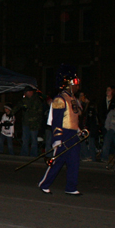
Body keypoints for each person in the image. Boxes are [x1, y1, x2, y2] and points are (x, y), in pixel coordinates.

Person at [38, 65, 84, 196]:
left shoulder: (72, 98)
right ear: (68, 84)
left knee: (74, 161)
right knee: (58, 161)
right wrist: (57, 138)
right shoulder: (60, 99)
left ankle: (71, 187)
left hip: (73, 133)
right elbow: (56, 121)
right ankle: (44, 184)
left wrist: (78, 129)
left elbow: (74, 116)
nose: (77, 86)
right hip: (64, 134)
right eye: (75, 83)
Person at [12, 87, 43, 158]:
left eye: (26, 92)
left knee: (33, 140)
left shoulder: (37, 100)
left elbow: (39, 113)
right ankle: (24, 154)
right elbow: (18, 106)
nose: (25, 94)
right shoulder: (24, 100)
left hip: (34, 124)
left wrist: (29, 110)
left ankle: (33, 155)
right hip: (25, 123)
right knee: (25, 139)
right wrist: (11, 112)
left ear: (30, 92)